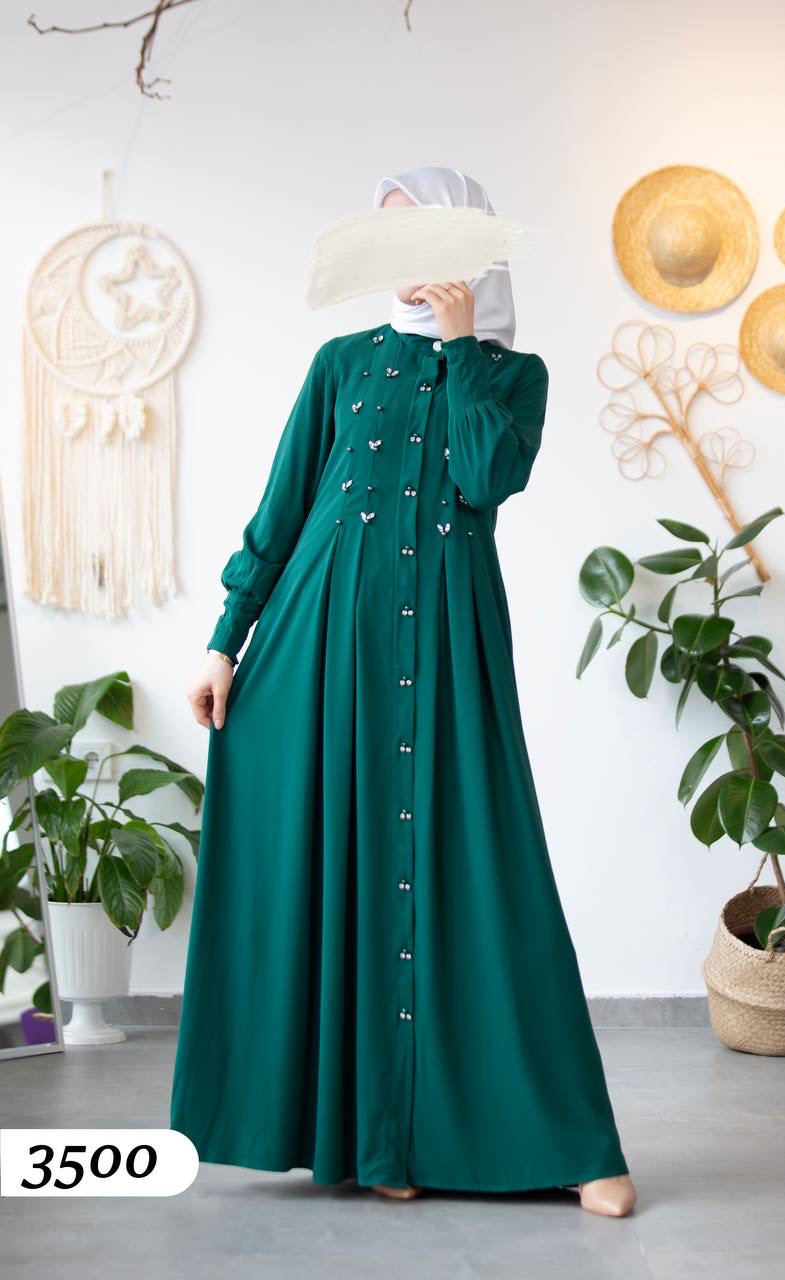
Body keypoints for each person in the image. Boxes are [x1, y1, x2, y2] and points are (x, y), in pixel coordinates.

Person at [170, 165, 636, 1218]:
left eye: (421, 237)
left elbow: (484, 478)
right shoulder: (340, 363)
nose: (404, 264)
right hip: (320, 635)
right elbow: (284, 508)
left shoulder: (514, 375)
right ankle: (373, 1139)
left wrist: (463, 344)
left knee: (481, 861)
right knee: (334, 856)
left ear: (469, 246)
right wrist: (224, 640)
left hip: (446, 635)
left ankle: (566, 1140)